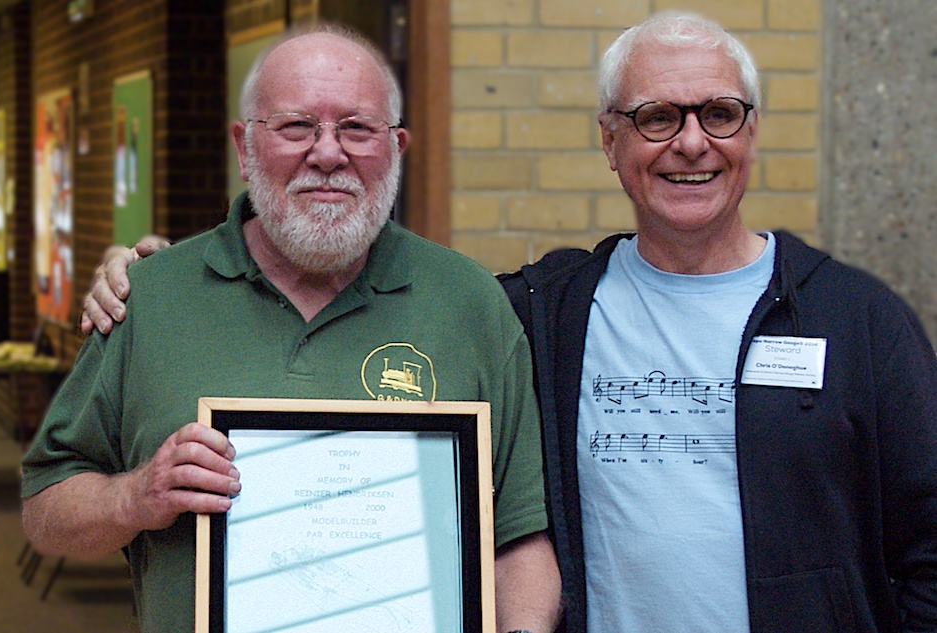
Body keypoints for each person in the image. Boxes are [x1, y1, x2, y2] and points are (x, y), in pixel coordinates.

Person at [79, 12, 937, 633]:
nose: (690, 142)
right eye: (654, 117)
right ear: (610, 141)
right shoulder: (544, 307)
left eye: (719, 113)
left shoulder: (859, 322)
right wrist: (171, 272)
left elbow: (929, 550)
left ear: (750, 132)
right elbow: (365, 287)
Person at [21, 25, 561, 633]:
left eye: (357, 128)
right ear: (244, 147)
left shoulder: (470, 304)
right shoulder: (147, 299)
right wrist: (135, 497)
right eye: (296, 126)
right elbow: (45, 506)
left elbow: (518, 538)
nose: (328, 154)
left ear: (398, 147)